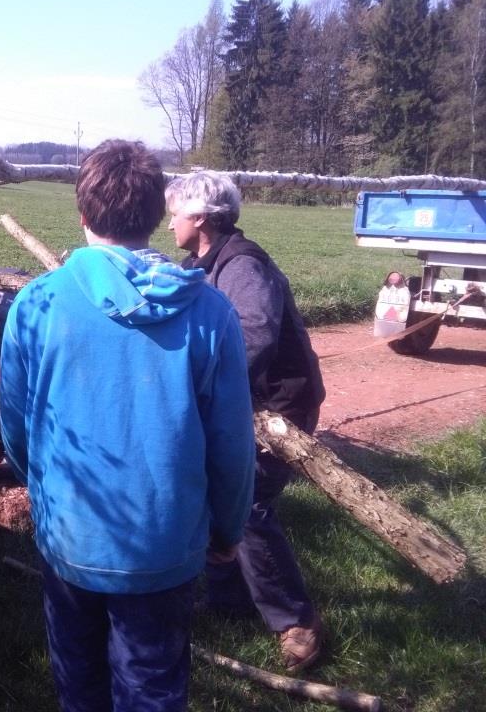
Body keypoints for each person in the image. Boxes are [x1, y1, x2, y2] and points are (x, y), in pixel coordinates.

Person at [0, 140, 255, 712]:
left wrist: (43, 493)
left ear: (82, 214)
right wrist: (228, 528)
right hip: (163, 543)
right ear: (159, 214)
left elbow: (14, 424)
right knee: (152, 687)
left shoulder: (37, 304)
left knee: (79, 684)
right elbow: (233, 444)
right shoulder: (210, 312)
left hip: (70, 533)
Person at [165, 170, 326, 673]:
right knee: (217, 490)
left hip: (280, 407)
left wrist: (208, 389)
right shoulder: (200, 264)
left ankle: (296, 621)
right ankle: (229, 600)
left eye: (175, 213)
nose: (169, 224)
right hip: (244, 402)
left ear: (201, 218)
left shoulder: (242, 266)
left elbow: (255, 336)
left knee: (249, 502)